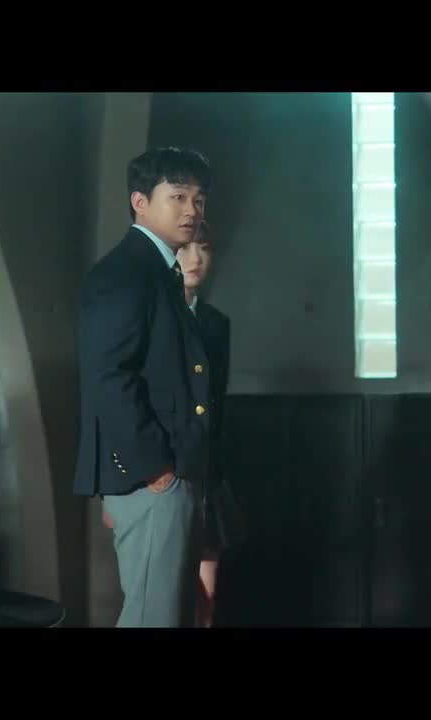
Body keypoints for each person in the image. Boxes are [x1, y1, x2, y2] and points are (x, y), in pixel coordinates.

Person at [75, 146, 214, 627]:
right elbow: (108, 375)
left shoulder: (159, 271)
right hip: (152, 476)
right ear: (140, 201)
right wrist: (154, 467)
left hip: (173, 471)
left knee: (170, 614)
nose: (192, 210)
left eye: (199, 199)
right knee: (154, 617)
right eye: (178, 197)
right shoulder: (126, 272)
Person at [175, 219, 246, 627]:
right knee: (164, 590)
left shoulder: (216, 322)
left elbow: (217, 401)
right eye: (186, 248)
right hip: (161, 468)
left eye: (204, 248)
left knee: (207, 592)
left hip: (207, 469)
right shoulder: (149, 315)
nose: (196, 259)